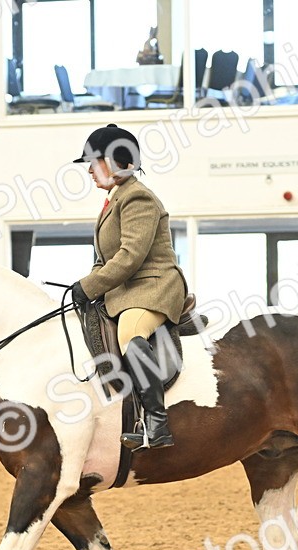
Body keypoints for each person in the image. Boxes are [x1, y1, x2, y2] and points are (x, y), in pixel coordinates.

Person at [69, 124, 188, 451]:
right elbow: (103, 257)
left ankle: (156, 420)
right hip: (125, 289)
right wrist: (85, 286)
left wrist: (90, 286)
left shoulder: (137, 196)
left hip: (154, 284)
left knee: (129, 332)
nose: (91, 172)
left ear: (112, 161)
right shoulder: (113, 200)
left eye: (93, 164)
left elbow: (130, 256)